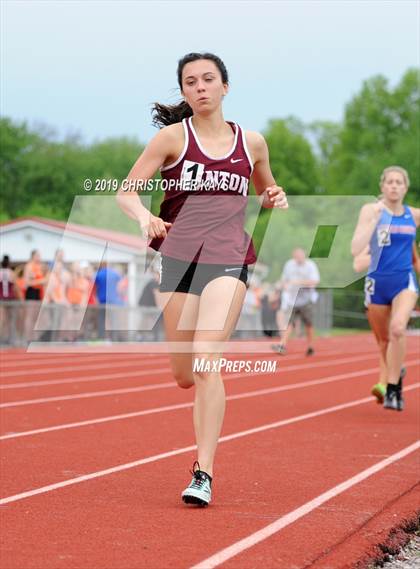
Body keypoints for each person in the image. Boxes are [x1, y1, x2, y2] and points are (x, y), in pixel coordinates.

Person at [117, 52, 288, 507]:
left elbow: (266, 192)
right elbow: (126, 191)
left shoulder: (251, 143)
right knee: (184, 374)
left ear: (225, 87)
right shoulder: (171, 138)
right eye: (190, 82)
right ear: (185, 92)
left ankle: (204, 472)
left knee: (208, 359)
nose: (200, 87)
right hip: (178, 261)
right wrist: (142, 218)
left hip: (229, 258)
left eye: (208, 79)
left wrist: (273, 195)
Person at [351, 166, 419, 411]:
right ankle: (395, 372)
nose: (393, 185)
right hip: (377, 283)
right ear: (382, 186)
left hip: (404, 281)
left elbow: (414, 256)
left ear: (405, 187)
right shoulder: (370, 210)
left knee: (398, 328)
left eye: (398, 182)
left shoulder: (414, 215)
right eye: (389, 182)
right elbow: (355, 250)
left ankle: (392, 389)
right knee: (384, 342)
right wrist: (373, 220)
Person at [272, 248, 320, 356]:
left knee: (308, 324)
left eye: (300, 256)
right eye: (297, 257)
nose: (299, 258)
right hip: (292, 299)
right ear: (294, 257)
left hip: (306, 300)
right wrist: (281, 287)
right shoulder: (289, 265)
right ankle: (282, 344)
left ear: (304, 255)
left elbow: (315, 281)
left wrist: (297, 282)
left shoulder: (310, 265)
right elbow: (284, 280)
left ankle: (311, 346)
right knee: (290, 323)